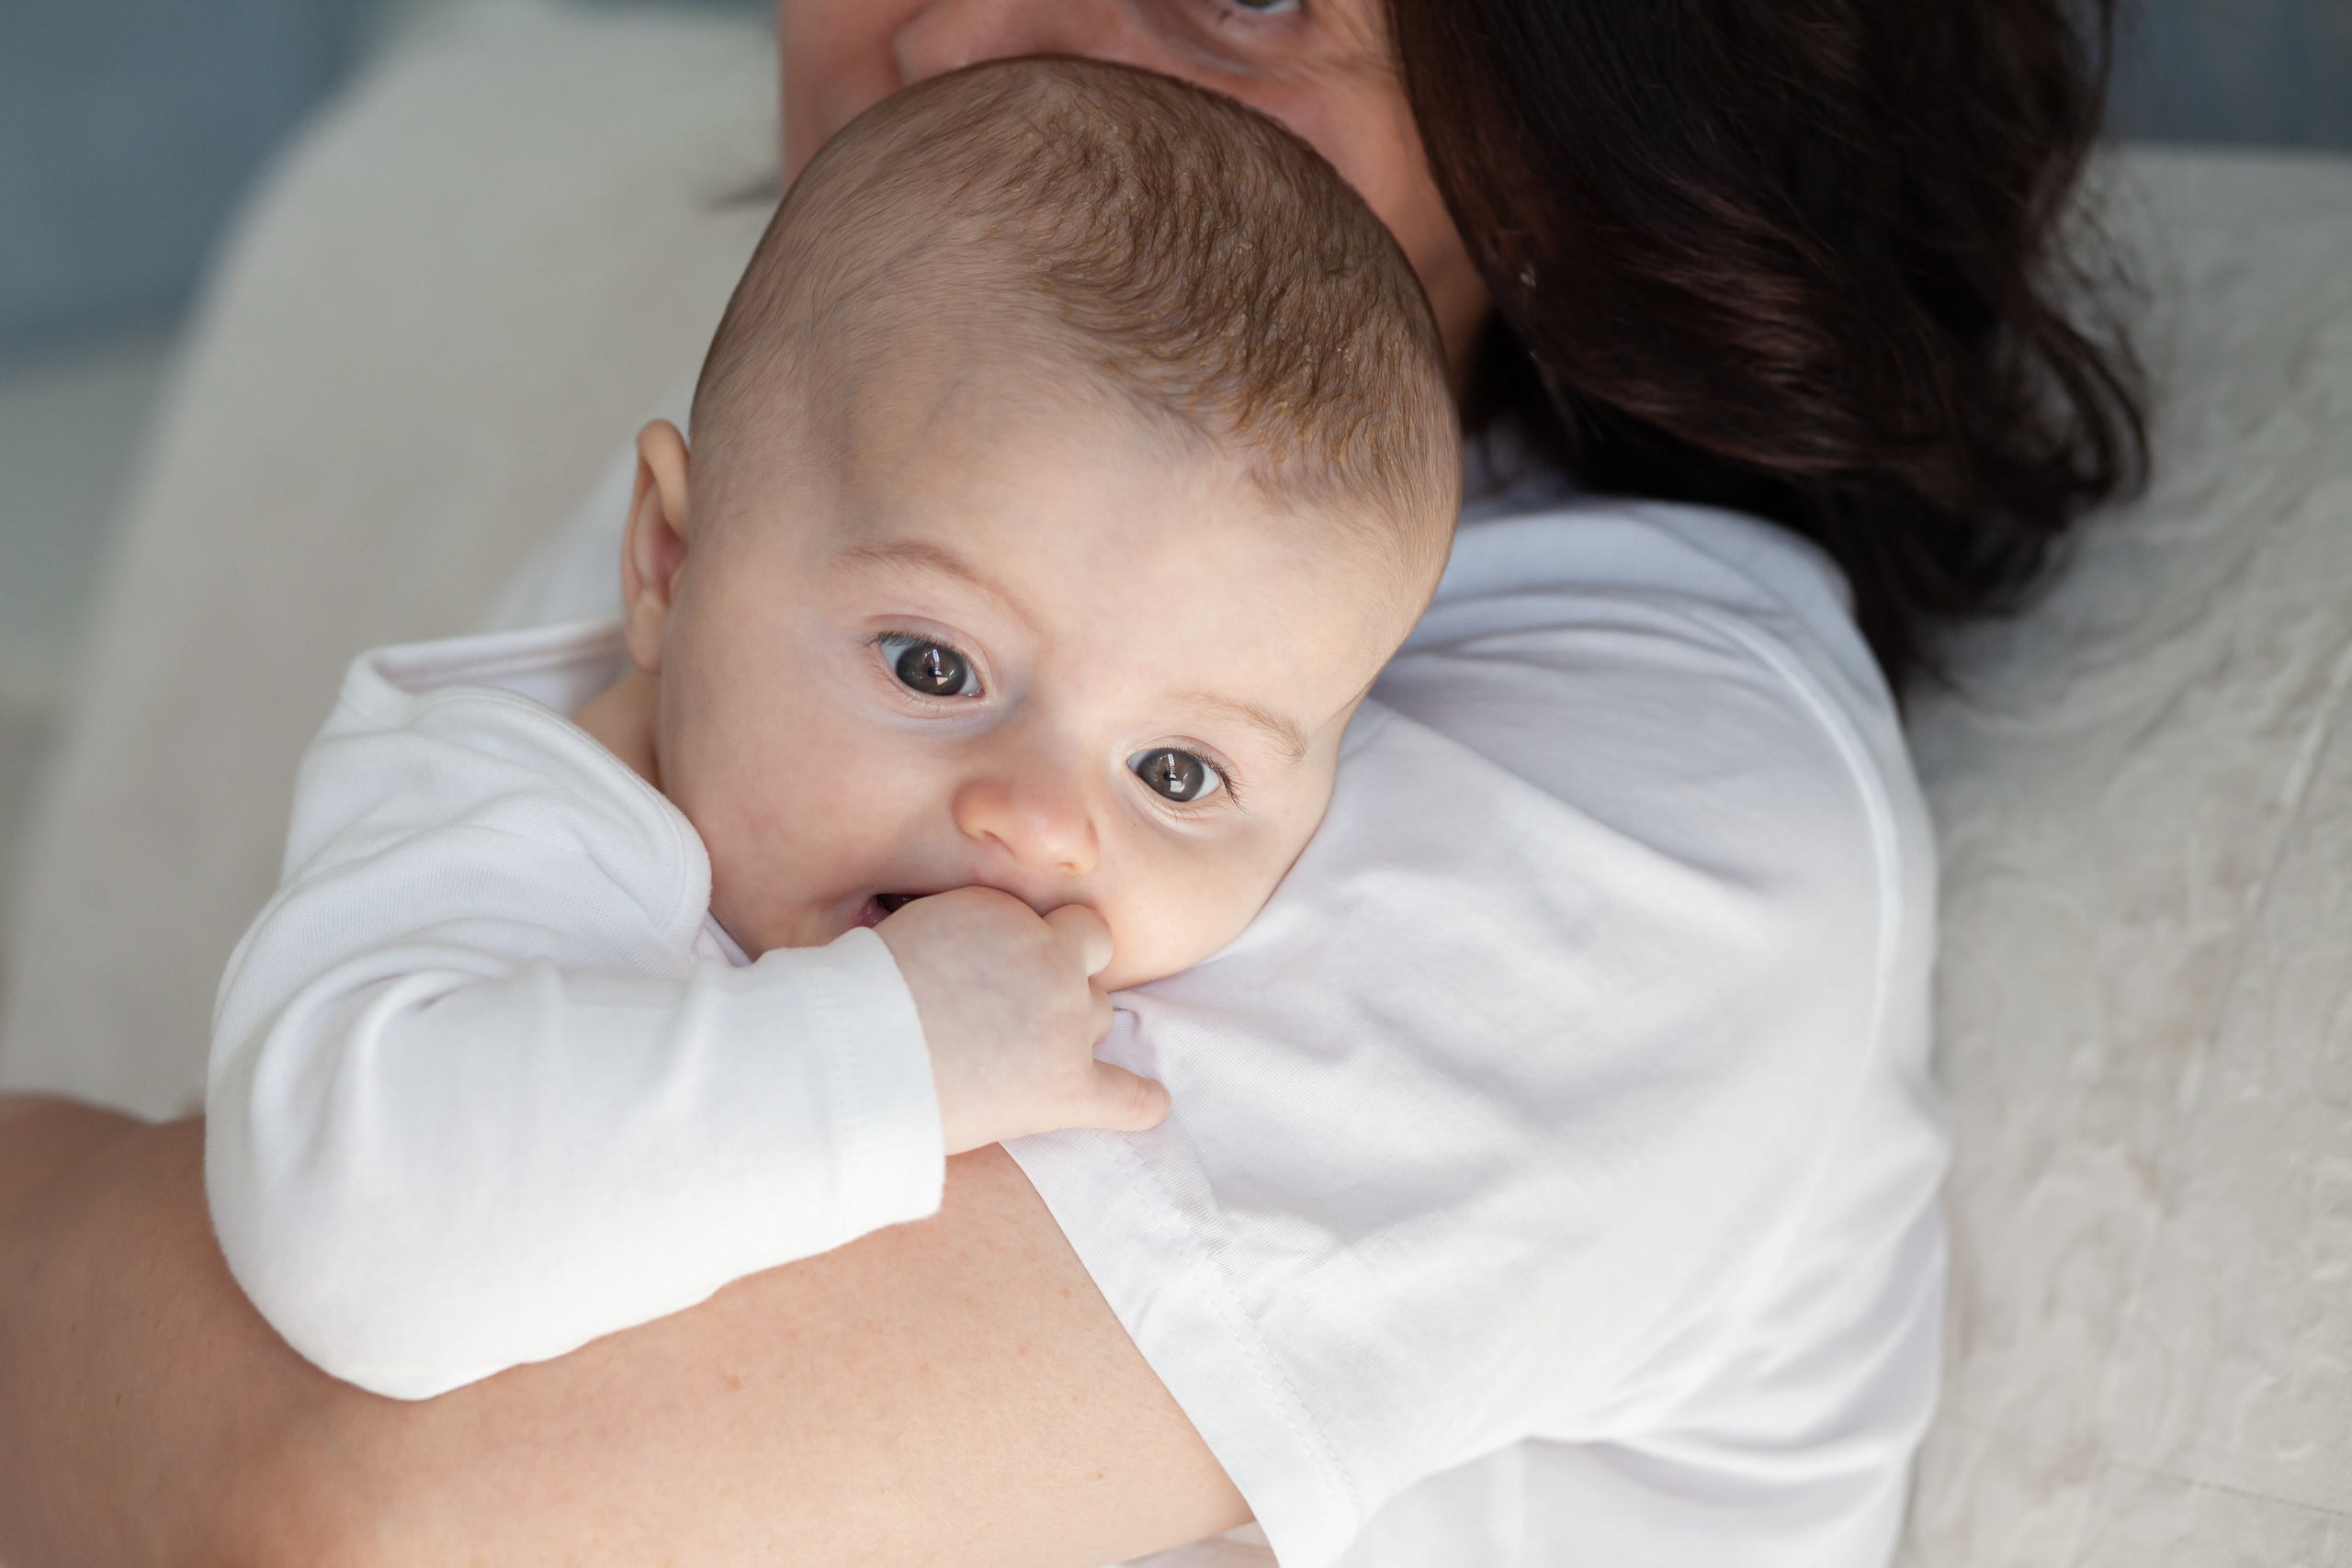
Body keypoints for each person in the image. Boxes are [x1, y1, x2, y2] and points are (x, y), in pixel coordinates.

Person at [0, 1, 2142, 1565]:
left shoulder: (1643, 813)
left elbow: (350, 1496)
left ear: (1597, 102)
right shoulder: (854, 463)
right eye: (933, 664)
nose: (948, 38)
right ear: (674, 543)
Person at [205, 57, 1458, 1402]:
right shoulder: (499, 841)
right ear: (672, 563)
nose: (1041, 823)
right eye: (934, 664)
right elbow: (354, 1240)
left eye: (1176, 771)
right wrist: (887, 1057)